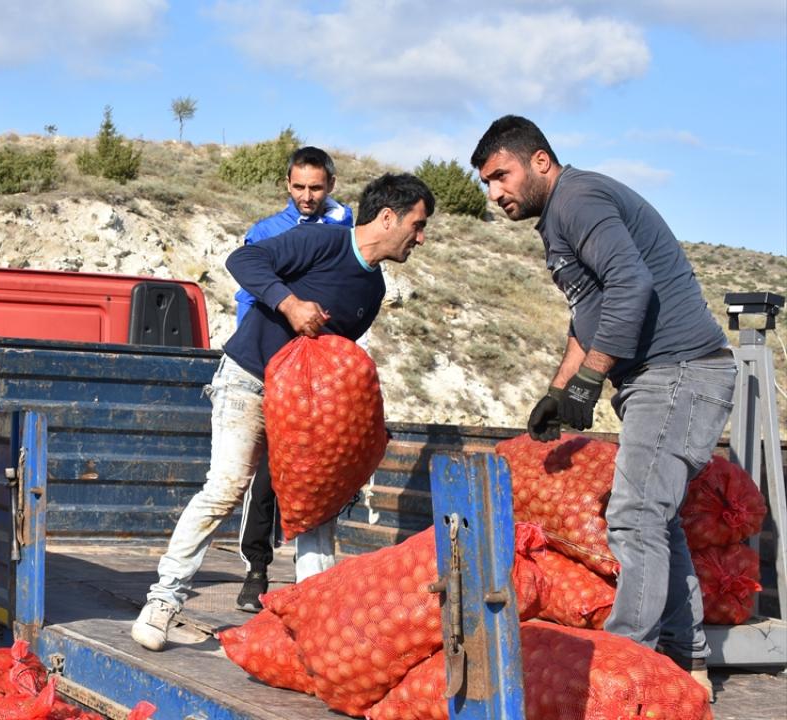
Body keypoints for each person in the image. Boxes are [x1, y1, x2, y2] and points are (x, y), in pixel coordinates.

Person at [471, 115, 735, 699]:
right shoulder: (558, 218)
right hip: (658, 377)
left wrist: (591, 379)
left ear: (540, 161)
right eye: (487, 183)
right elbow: (586, 315)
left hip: (680, 371)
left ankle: (623, 670)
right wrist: (559, 388)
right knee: (656, 518)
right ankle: (686, 659)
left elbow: (631, 285)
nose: (494, 193)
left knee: (635, 517)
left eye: (501, 175)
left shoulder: (579, 199)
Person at [132, 173, 435, 651]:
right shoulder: (322, 241)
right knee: (226, 486)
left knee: (316, 507)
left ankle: (315, 628)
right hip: (248, 379)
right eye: (417, 225)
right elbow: (243, 260)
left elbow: (334, 358)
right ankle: (162, 602)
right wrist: (290, 304)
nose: (420, 238)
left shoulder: (371, 290)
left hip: (302, 404)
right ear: (387, 217)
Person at [233, 146, 355, 612]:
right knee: (265, 471)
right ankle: (257, 569)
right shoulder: (266, 232)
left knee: (321, 467)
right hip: (273, 366)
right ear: (287, 184)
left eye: (316, 188)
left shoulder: (343, 227)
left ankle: (315, 582)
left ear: (331, 186)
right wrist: (255, 361)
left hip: (320, 373)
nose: (307, 196)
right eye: (299, 187)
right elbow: (248, 299)